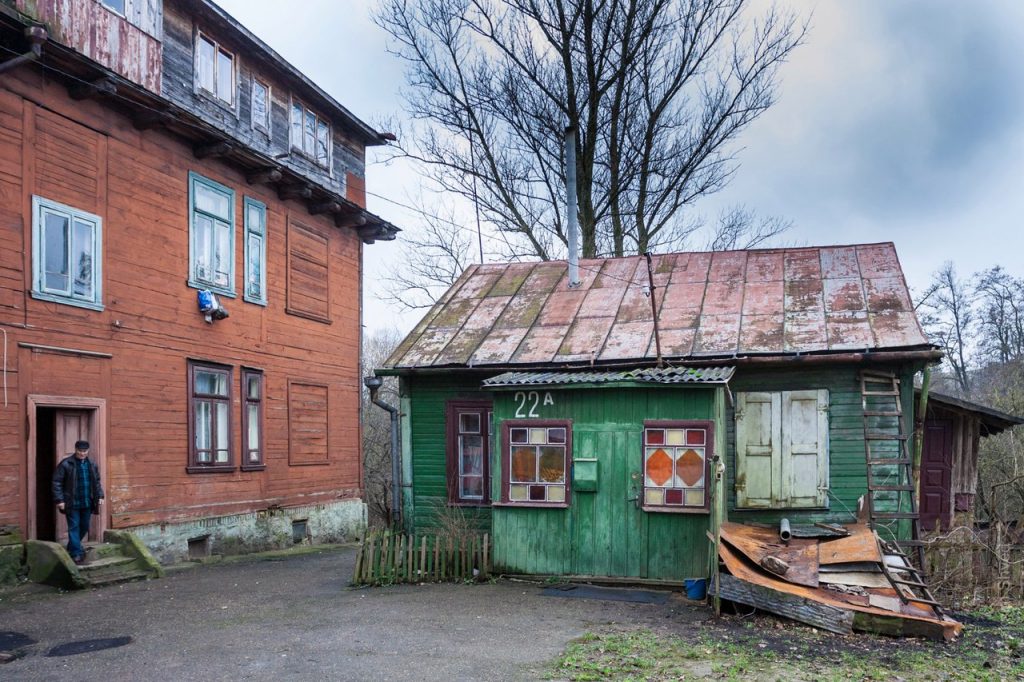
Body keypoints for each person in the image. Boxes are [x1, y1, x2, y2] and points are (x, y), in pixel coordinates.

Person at [52, 440, 104, 565]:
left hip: (87, 501)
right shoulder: (66, 463)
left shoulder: (92, 464)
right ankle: (76, 554)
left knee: (84, 526)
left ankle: (72, 546)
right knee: (74, 526)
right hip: (72, 502)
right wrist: (60, 500)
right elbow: (56, 482)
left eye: (84, 451)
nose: (82, 453)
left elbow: (96, 481)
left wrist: (100, 495)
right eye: (80, 451)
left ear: (88, 451)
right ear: (75, 450)